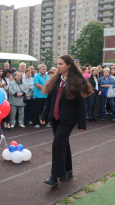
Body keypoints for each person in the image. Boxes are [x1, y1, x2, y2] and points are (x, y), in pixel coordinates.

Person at [40, 54, 93, 187]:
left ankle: (55, 176)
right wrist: (44, 116)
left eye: (61, 64)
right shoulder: (55, 80)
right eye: (57, 63)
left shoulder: (78, 81)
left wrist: (82, 123)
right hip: (55, 118)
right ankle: (68, 170)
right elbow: (49, 101)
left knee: (57, 143)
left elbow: (81, 103)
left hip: (68, 119)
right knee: (64, 144)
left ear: (69, 65)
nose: (58, 66)